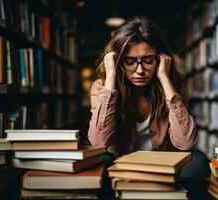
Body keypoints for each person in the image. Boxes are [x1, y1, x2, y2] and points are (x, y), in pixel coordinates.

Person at [88, 17, 209, 182]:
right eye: (130, 62)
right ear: (119, 63)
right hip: (121, 170)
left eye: (148, 61)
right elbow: (98, 142)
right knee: (102, 160)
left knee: (198, 160)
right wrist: (110, 76)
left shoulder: (170, 87)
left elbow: (187, 143)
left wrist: (165, 78)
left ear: (160, 60)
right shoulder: (102, 87)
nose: (139, 70)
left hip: (165, 168)